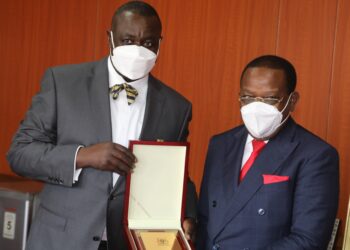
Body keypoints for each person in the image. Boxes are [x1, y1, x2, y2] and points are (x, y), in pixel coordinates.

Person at [7, 1, 196, 250]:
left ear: (160, 43)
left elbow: (175, 172)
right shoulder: (63, 83)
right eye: (128, 40)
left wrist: (188, 214)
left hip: (129, 242)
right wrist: (82, 156)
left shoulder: (176, 107)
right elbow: (20, 153)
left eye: (148, 43)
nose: (138, 50)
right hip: (63, 239)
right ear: (110, 38)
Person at [196, 55, 339, 250]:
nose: (257, 107)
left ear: (292, 100)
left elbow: (308, 240)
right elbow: (206, 219)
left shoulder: (316, 155)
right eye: (248, 97)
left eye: (270, 99)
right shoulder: (220, 144)